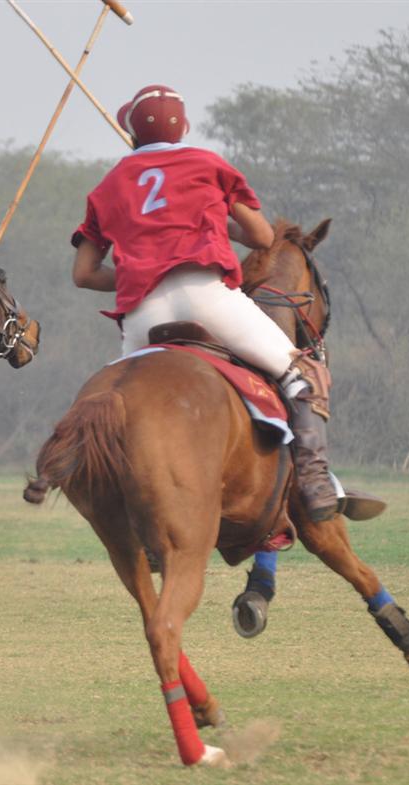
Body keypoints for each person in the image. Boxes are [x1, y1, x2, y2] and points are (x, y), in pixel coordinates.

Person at [69, 84, 374, 525]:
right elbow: (264, 238)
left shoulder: (109, 184)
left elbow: (83, 275)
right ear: (184, 126)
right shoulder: (207, 165)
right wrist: (214, 224)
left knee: (119, 408)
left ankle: (132, 513)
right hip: (207, 298)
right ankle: (315, 481)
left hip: (143, 313)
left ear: (133, 132)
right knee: (299, 373)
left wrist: (143, 269)